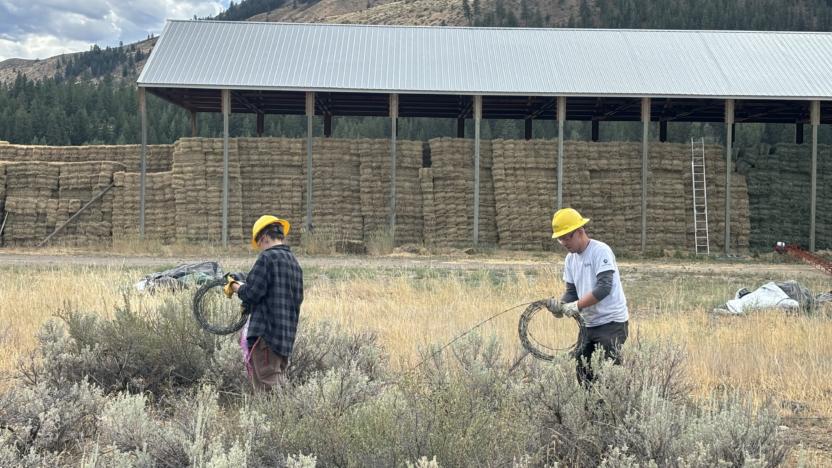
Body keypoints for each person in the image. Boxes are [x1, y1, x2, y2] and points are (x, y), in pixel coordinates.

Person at [546, 208, 629, 386]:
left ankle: (614, 413)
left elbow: (604, 287)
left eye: (567, 237)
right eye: (560, 239)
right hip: (588, 325)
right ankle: (590, 413)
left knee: (609, 378)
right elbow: (571, 292)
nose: (563, 242)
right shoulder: (570, 259)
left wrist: (576, 306)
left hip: (611, 324)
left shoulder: (601, 251)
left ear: (580, 231)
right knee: (584, 375)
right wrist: (559, 306)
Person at [228, 215, 303, 391]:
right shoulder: (294, 263)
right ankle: (289, 416)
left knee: (267, 390)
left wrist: (236, 286)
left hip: (265, 337)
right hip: (285, 338)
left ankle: (280, 418)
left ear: (264, 238)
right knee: (277, 384)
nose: (260, 248)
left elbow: (252, 293)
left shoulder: (267, 259)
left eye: (259, 243)